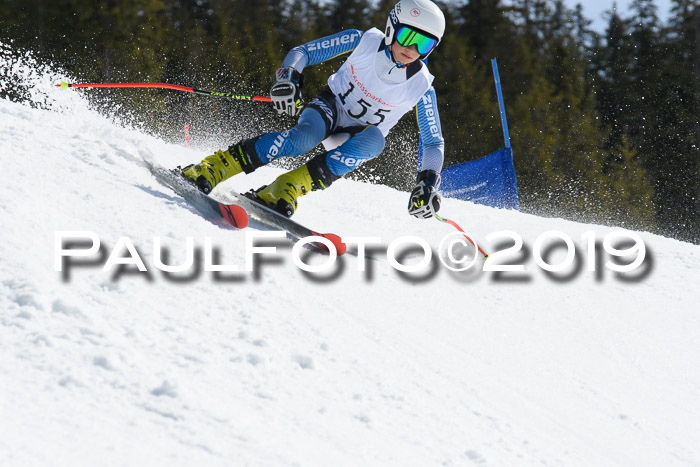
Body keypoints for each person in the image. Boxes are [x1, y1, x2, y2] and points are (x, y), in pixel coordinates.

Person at [181, 0, 446, 219]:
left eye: (424, 44)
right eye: (408, 37)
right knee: (303, 139)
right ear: (391, 28)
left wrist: (428, 182)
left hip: (356, 136)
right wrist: (288, 77)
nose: (412, 49)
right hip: (330, 108)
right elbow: (304, 52)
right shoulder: (363, 41)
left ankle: (286, 188)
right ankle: (214, 166)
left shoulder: (422, 86)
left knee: (376, 141)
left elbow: (433, 141)